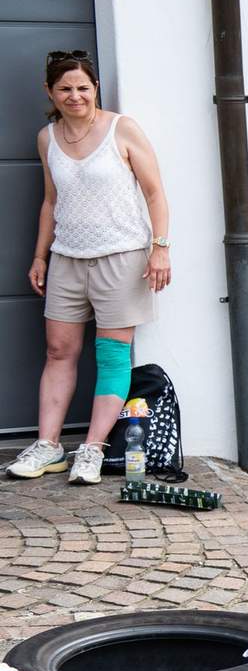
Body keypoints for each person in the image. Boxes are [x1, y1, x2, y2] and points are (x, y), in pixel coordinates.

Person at [8, 51, 171, 485]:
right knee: (58, 351)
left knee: (111, 354)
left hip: (122, 258)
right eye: (65, 88)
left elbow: (155, 193)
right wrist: (41, 255)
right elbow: (51, 201)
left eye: (83, 87)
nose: (75, 95)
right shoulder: (47, 138)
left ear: (95, 87)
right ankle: (48, 446)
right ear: (50, 92)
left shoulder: (122, 129)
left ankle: (93, 449)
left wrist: (160, 248)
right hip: (67, 259)